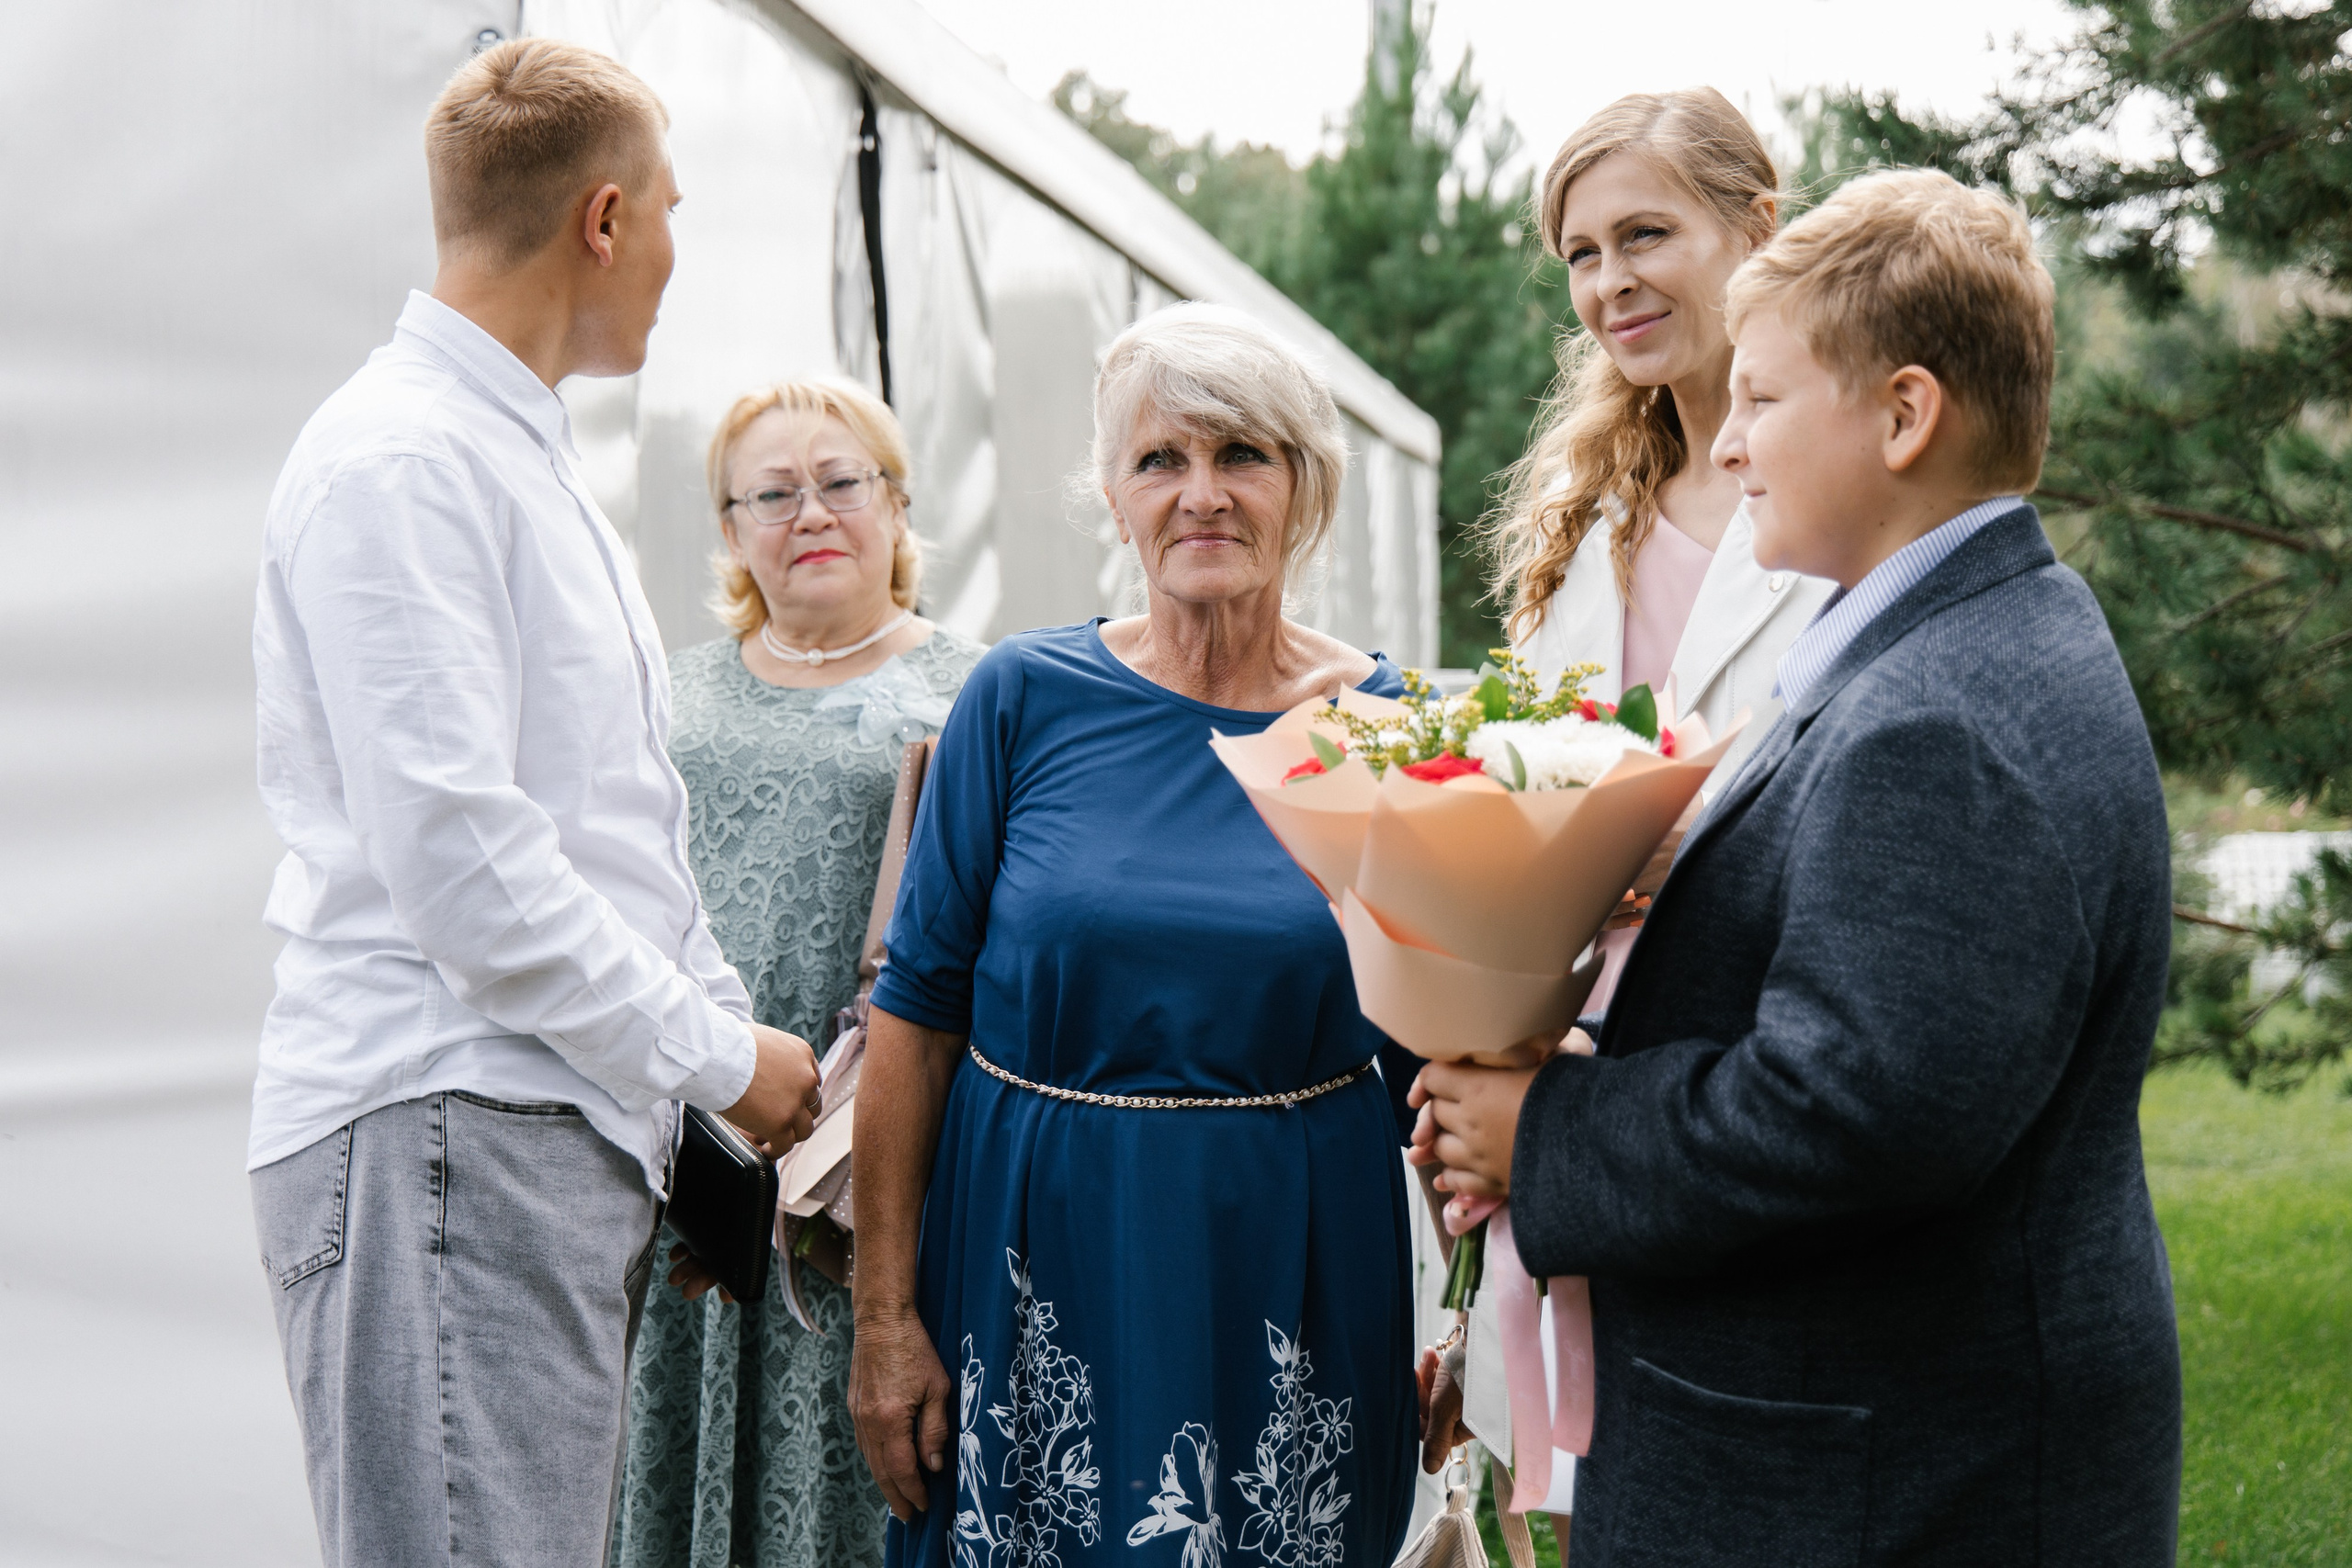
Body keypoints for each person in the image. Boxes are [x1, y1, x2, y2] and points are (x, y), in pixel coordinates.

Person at [1414, 171, 2181, 1564]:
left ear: (1903, 415)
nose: (1728, 445)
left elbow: (1850, 1116)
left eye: (1762, 400)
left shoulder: (1939, 722)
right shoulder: (1954, 637)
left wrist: (1547, 1133)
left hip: (1871, 1480)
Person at [247, 40, 820, 1568]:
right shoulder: (404, 461)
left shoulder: (508, 456)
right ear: (606, 218)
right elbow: (464, 868)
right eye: (675, 213)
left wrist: (698, 1106)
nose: (678, 255)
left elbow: (608, 837)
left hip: (513, 1136)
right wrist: (720, 1059)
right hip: (447, 1122)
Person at [847, 303, 1422, 1568]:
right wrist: (883, 1319)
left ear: (1305, 487)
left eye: (1243, 455)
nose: (1201, 494)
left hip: (1289, 1267)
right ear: (1114, 498)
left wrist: (1486, 1324)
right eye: (1161, 460)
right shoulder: (1020, 698)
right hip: (1034, 1260)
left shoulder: (1387, 725)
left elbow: (1439, 1051)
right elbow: (917, 1016)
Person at [610, 378, 985, 1567]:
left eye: (840, 482)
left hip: (869, 1163)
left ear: (897, 505)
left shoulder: (980, 691)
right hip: (695, 1146)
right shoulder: (667, 692)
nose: (810, 512)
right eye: (772, 493)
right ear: (730, 531)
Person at [1487, 88, 1835, 1017]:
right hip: (1568, 1025)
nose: (1611, 282)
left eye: (1643, 235)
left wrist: (1669, 854)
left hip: (1759, 1029)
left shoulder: (1852, 504)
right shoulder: (1577, 519)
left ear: (1758, 228)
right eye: (1582, 255)